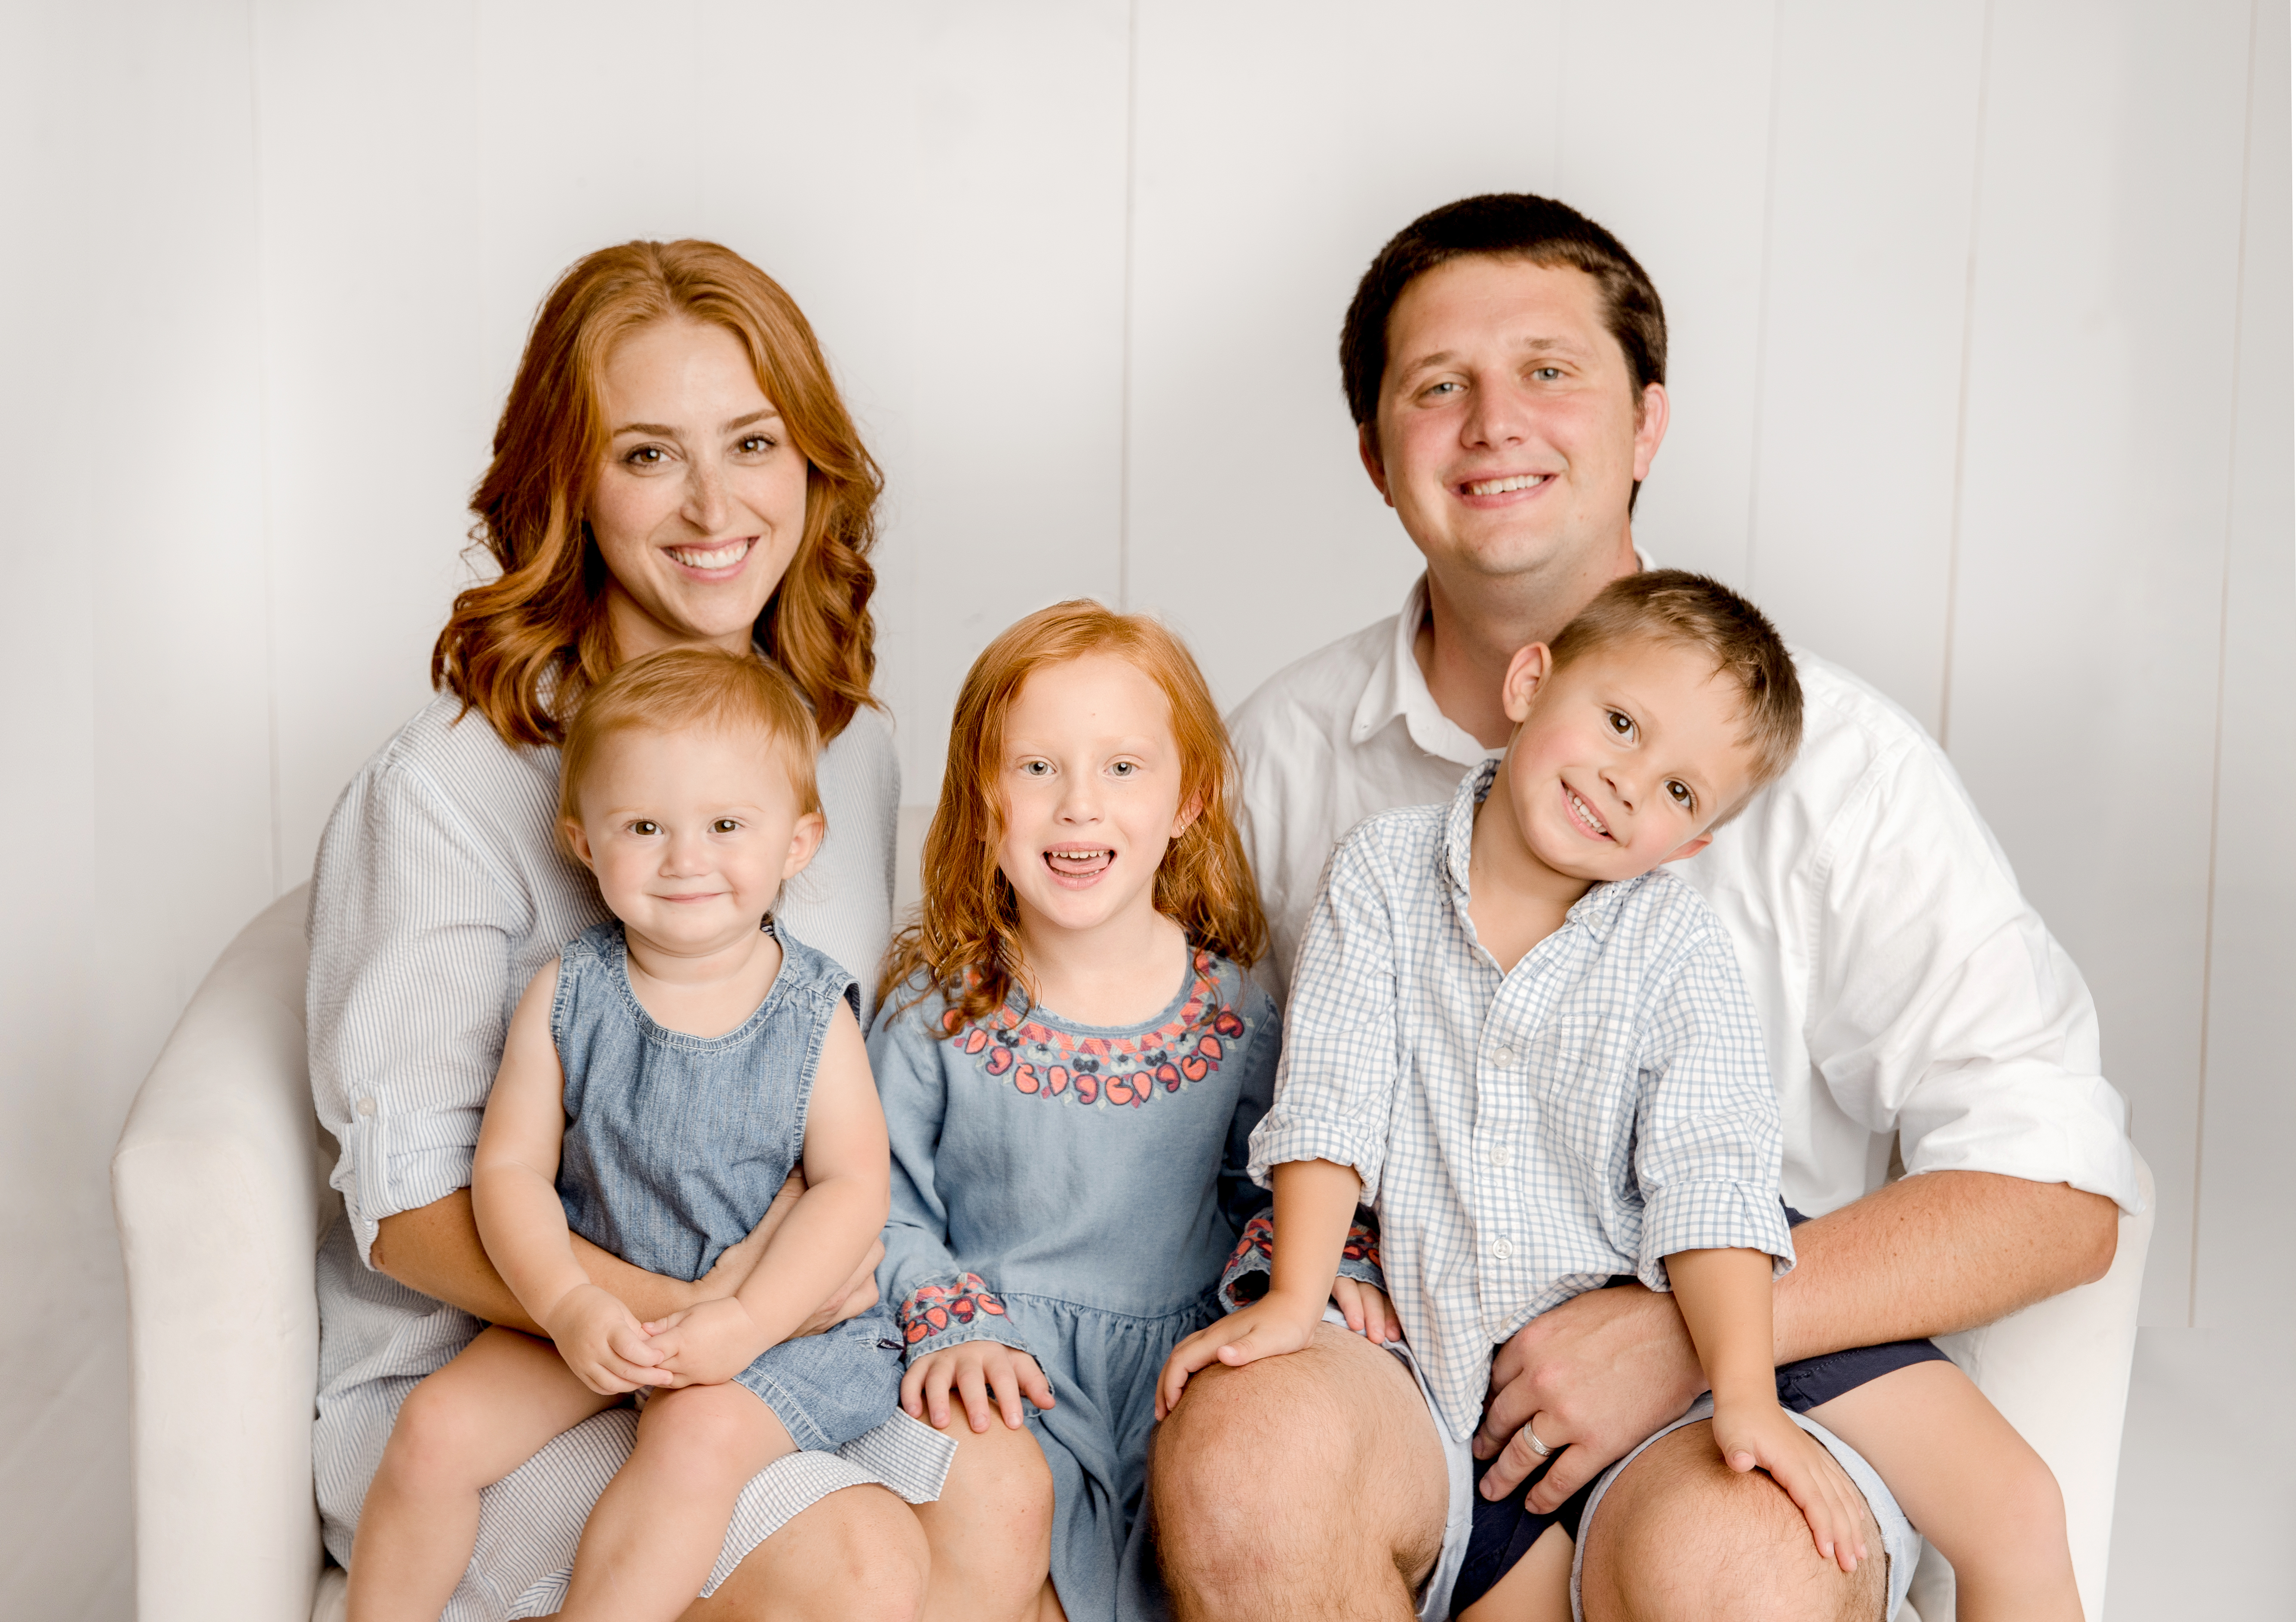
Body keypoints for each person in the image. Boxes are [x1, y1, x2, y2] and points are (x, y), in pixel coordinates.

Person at [1146, 195, 2144, 1622]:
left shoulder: (1838, 772)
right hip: (1402, 1370)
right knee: (1249, 1454)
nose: (1493, 422)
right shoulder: (1287, 766)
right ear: (1376, 458)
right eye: (1437, 387)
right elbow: (1181, 1111)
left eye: (1548, 370)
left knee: (1736, 1557)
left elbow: (2054, 1193)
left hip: (1727, 1404)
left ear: (1645, 424)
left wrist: (1693, 1332)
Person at [307, 239, 1046, 1622]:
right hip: (504, 1352)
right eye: (647, 455)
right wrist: (684, 1319)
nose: (715, 503)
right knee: (859, 1563)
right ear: (567, 489)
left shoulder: (841, 746)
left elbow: (837, 1111)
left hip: (771, 1326)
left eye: (753, 442)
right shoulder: (449, 789)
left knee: (1006, 1484)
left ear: (810, 465)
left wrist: (781, 1306)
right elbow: (407, 1218)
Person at [1160, 572, 2085, 1621]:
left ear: (1689, 845)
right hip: (1469, 1355)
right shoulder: (1379, 872)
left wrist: (1739, 1397)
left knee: (2011, 1504)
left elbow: (1709, 1180)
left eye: (1680, 793)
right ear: (1529, 682)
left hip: (1697, 1279)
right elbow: (1330, 1103)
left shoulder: (1675, 947)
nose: (1628, 785)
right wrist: (1294, 1295)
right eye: (1617, 723)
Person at [343, 649, 907, 1621]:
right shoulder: (568, 994)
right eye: (644, 828)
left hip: (768, 1322)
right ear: (583, 842)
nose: (685, 860)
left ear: (798, 841)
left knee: (689, 1448)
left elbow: (853, 1187)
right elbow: (510, 1172)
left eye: (727, 826)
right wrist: (565, 1303)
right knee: (435, 1430)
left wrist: (746, 1321)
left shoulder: (814, 1011)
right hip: (595, 1299)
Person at [870, 602, 1342, 1622]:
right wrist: (954, 1327)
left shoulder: (1235, 1013)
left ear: (1189, 799)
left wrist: (1296, 1282)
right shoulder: (933, 1011)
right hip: (1000, 1367)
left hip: (1179, 1374)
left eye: (1122, 768)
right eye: (1036, 768)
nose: (1078, 806)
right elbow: (877, 1202)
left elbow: (1268, 1192)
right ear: (983, 798)